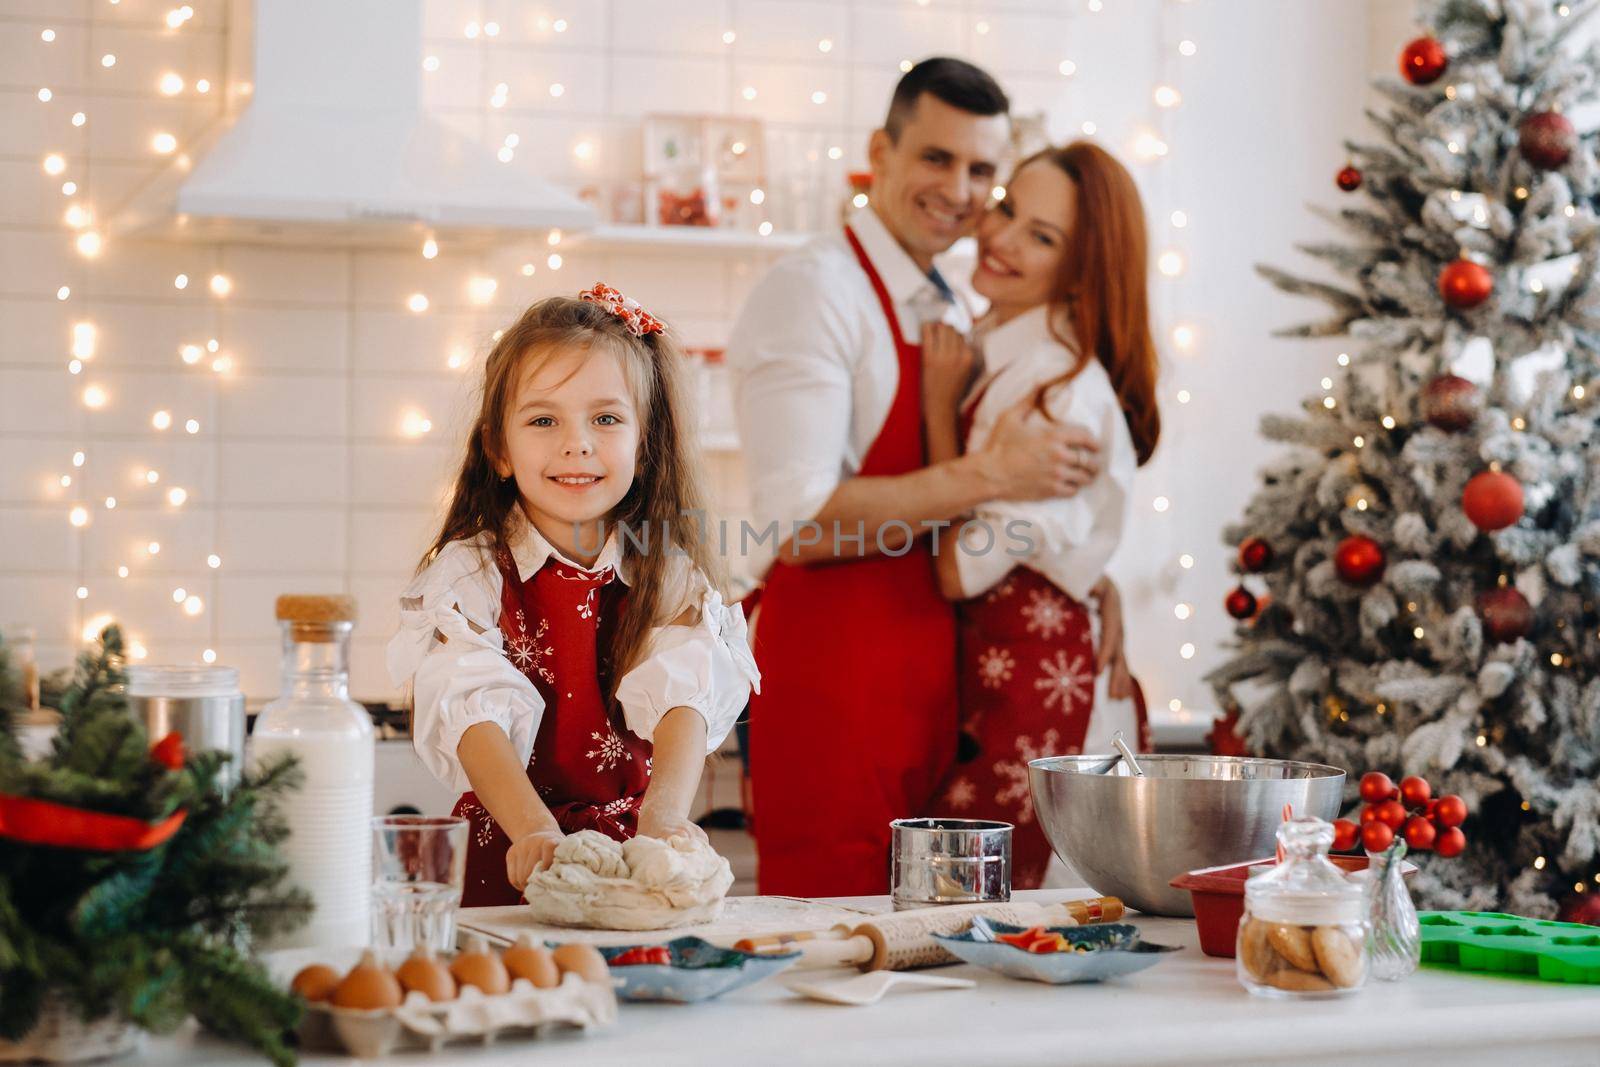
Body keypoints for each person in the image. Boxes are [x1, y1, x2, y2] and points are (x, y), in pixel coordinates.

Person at [728, 57, 1105, 897]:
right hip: (837, 683)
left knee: (936, 975)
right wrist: (990, 471)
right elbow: (802, 527)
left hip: (938, 687)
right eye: (937, 158)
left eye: (982, 171)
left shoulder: (953, 304)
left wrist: (1081, 571)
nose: (961, 190)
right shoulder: (814, 293)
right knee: (831, 949)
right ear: (881, 154)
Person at [388, 286, 760, 906]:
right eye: (543, 420)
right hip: (513, 851)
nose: (577, 443)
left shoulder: (668, 575)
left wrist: (664, 821)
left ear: (643, 446)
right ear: (498, 450)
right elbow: (473, 713)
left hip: (635, 856)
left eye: (606, 419)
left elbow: (683, 705)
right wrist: (534, 830)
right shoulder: (469, 575)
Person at [922, 142, 1162, 888]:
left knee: (1001, 918)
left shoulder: (1055, 394)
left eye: (1042, 236)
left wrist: (936, 407)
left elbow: (959, 568)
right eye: (1007, 212)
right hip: (1003, 677)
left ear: (1083, 269)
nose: (1001, 239)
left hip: (1037, 690)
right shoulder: (997, 348)